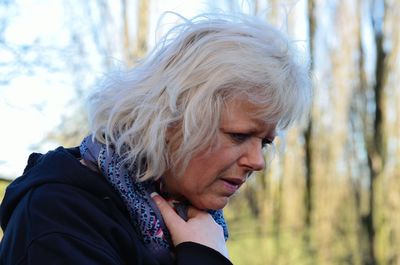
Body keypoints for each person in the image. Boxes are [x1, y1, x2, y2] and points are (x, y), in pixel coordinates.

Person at [0, 13, 311, 265]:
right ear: (169, 120)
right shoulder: (59, 220)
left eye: (265, 142)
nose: (257, 162)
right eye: (239, 135)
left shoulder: (188, 224)